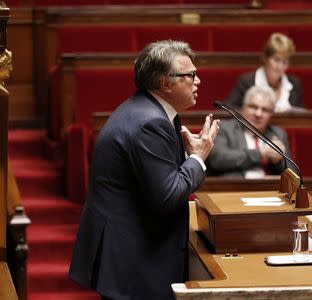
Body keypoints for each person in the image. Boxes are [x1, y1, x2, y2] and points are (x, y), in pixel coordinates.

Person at [69, 40, 220, 300]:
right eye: (191, 75)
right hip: (135, 260)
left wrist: (187, 156)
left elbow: (151, 173)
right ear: (165, 83)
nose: (198, 81)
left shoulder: (147, 110)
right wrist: (197, 158)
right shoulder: (151, 122)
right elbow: (167, 196)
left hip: (129, 251)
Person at [208, 86, 291, 178]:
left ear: (271, 114)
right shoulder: (224, 128)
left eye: (265, 110)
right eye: (253, 107)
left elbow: (292, 174)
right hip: (236, 188)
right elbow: (218, 159)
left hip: (269, 188)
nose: (258, 114)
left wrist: (278, 161)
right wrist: (260, 154)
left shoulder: (278, 133)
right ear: (243, 107)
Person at [224, 32, 303, 112]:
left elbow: (300, 115)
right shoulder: (246, 81)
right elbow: (228, 110)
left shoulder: (294, 84)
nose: (280, 67)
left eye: (284, 62)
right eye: (276, 60)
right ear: (265, 58)